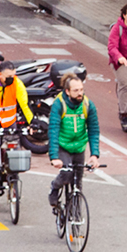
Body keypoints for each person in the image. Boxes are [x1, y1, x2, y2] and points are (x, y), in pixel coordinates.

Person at [46, 73, 104, 212]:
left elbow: (94, 130)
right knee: (66, 174)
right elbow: (53, 130)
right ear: (67, 91)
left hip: (79, 147)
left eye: (81, 89)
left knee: (78, 183)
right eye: (76, 90)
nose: (80, 93)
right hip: (63, 146)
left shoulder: (88, 105)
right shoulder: (59, 104)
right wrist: (54, 157)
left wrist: (94, 154)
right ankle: (54, 187)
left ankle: (75, 215)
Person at [0, 62, 35, 176]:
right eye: (9, 77)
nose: (12, 79)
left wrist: (31, 122)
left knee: (13, 142)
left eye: (13, 76)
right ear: (0, 75)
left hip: (8, 118)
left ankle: (12, 172)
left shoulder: (17, 83)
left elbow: (25, 104)